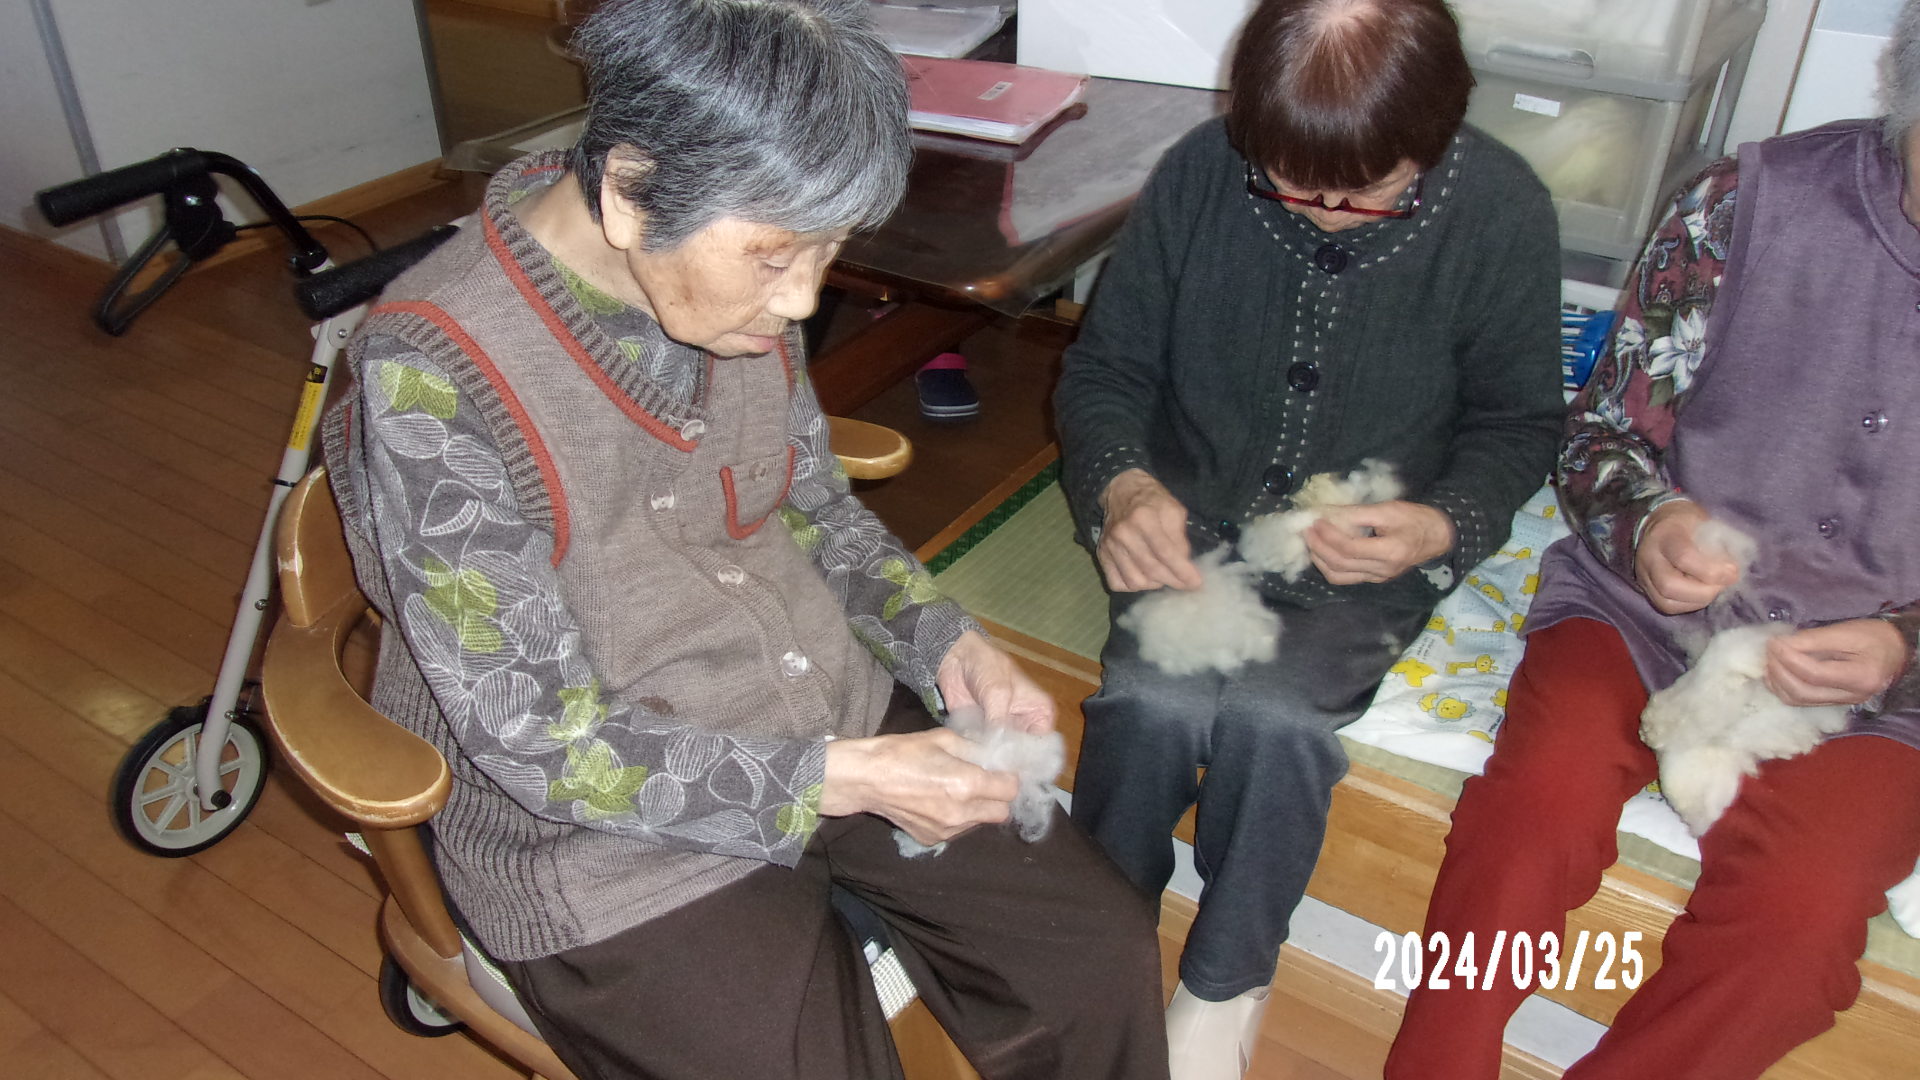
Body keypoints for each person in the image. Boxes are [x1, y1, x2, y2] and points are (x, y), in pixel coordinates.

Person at [319, 2, 1168, 1077]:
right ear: (629, 190)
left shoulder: (734, 280)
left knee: (1095, 955)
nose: (801, 301)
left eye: (829, 252)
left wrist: (943, 639)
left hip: (812, 701)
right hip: (600, 835)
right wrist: (842, 779)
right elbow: (536, 742)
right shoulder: (435, 370)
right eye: (774, 259)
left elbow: (810, 508)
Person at [1386, 5, 1920, 1077]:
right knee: (1530, 815)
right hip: (1640, 614)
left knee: (1799, 925)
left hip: (1879, 694)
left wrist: (1905, 643)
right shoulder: (1739, 202)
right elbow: (1602, 434)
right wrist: (1651, 523)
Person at [1051, 0, 1563, 1075]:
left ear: (1437, 134)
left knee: (1279, 719)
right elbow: (1105, 372)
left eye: (1368, 190)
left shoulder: (1502, 205)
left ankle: (1224, 984)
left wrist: (1439, 524)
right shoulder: (1201, 174)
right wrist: (1123, 487)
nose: (1327, 212)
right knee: (1148, 703)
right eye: (1291, 181)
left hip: (1367, 555)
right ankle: (1097, 941)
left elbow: (1519, 423)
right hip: (1189, 529)